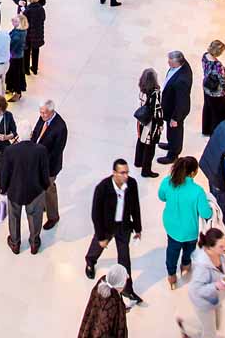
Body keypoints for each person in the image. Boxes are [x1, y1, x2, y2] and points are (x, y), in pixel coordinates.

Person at [84, 160, 142, 304]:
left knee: (124, 259)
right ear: (114, 173)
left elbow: (135, 206)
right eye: (122, 173)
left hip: (124, 226)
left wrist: (138, 227)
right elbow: (95, 214)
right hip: (106, 226)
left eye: (127, 172)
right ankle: (90, 262)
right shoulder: (102, 188)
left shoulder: (132, 184)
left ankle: (128, 290)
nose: (126, 176)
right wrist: (102, 236)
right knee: (97, 246)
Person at [158, 157, 213, 288]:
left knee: (172, 250)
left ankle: (171, 275)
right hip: (191, 230)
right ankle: (186, 265)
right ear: (193, 173)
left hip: (172, 227)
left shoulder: (167, 182)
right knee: (189, 249)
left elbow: (161, 196)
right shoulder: (198, 191)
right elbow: (206, 213)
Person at [0, 137, 48, 255]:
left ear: (19, 136)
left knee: (14, 216)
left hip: (15, 191)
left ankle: (15, 244)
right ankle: (34, 243)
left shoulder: (9, 151)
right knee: (35, 216)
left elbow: (5, 173)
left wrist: (3, 188)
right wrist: (45, 186)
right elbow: (44, 171)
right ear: (31, 135)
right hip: (35, 191)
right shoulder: (41, 150)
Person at [185, 228, 225, 338]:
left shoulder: (219, 254)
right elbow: (197, 290)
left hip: (215, 299)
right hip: (204, 303)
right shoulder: (202, 267)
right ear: (211, 247)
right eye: (221, 246)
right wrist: (216, 286)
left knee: (215, 325)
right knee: (210, 333)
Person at [30, 100, 67, 229]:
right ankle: (45, 206)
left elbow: (56, 152)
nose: (42, 115)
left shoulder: (60, 127)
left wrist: (40, 163)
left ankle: (53, 216)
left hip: (50, 167)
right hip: (38, 160)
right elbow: (36, 133)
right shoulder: (43, 117)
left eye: (45, 113)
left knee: (49, 189)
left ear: (52, 111)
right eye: (40, 112)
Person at [76, 264, 129, 338]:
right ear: (121, 285)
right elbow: (102, 332)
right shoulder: (111, 306)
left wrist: (121, 309)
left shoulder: (102, 284)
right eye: (125, 279)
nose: (127, 279)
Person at [159, 50, 193, 164]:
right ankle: (170, 144)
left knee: (175, 131)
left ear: (178, 62)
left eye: (170, 60)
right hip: (170, 107)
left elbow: (181, 102)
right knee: (170, 129)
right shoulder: (181, 66)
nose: (168, 62)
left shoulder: (181, 81)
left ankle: (173, 154)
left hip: (176, 111)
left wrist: (176, 118)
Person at [201, 39, 225, 136]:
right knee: (217, 113)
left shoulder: (205, 56)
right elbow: (223, 82)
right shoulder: (217, 65)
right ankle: (214, 132)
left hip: (206, 86)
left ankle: (206, 130)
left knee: (207, 108)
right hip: (216, 92)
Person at [134, 68, 163, 177]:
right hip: (151, 123)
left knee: (140, 140)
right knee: (150, 146)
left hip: (141, 120)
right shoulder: (155, 93)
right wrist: (160, 124)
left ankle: (138, 161)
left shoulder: (142, 89)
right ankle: (146, 170)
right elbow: (157, 110)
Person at [6, 13, 28, 100]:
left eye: (14, 21)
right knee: (11, 73)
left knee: (16, 75)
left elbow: (11, 46)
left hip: (15, 57)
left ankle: (17, 93)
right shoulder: (20, 31)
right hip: (17, 56)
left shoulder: (17, 35)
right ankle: (10, 88)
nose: (12, 21)